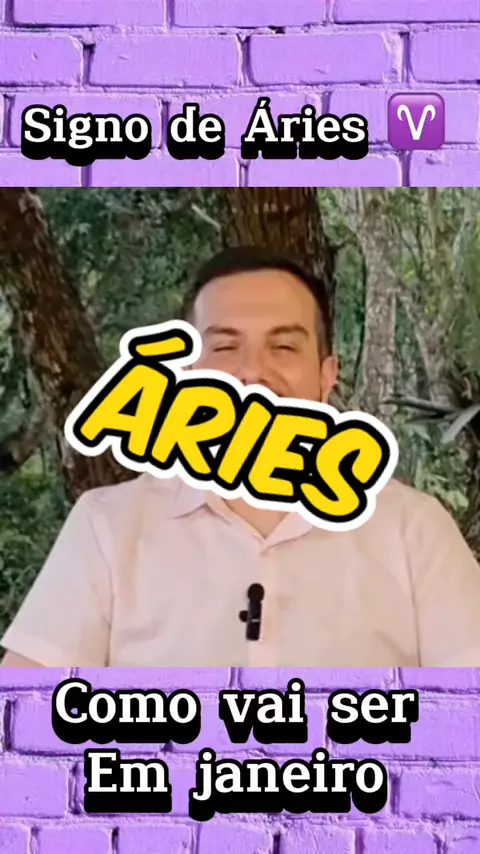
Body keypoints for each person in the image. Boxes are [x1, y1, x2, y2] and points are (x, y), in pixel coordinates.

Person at [2, 246, 480, 667]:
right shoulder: (109, 526)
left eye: (284, 346)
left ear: (326, 375)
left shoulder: (413, 530)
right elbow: (23, 717)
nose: (252, 372)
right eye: (226, 347)